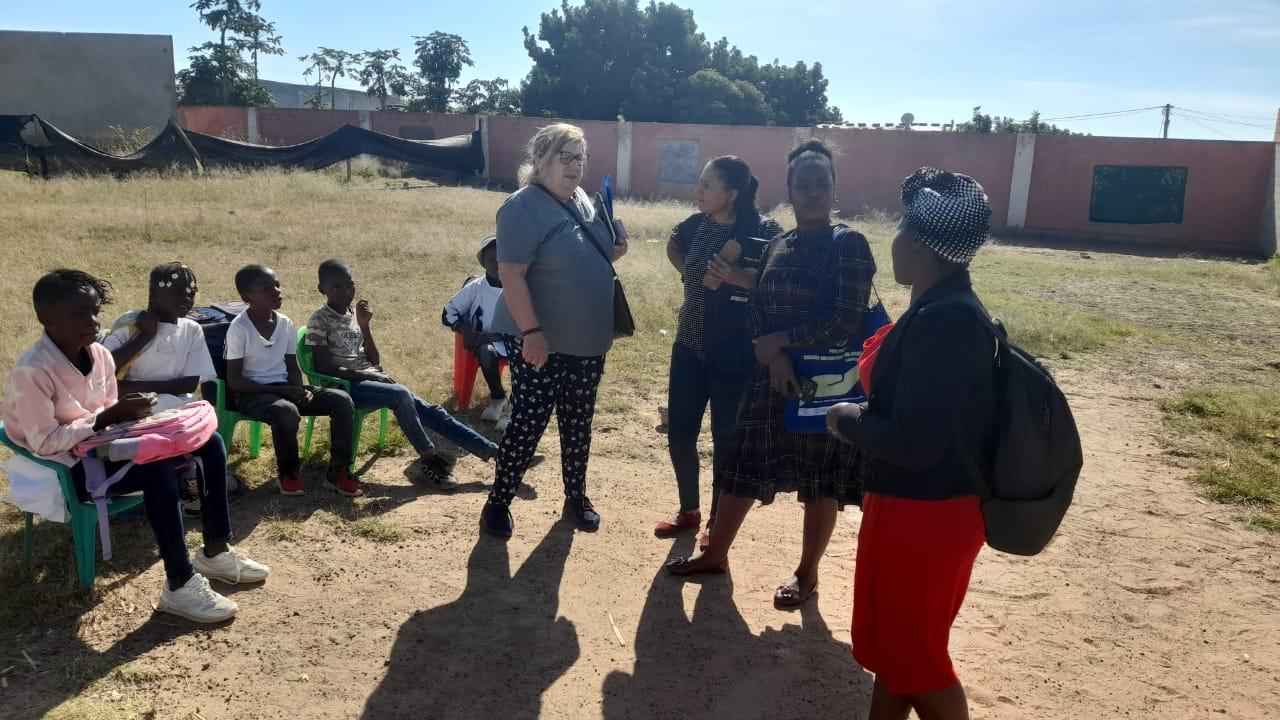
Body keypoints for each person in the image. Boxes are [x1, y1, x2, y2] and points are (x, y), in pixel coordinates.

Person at [666, 140, 875, 610]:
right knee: (740, 462)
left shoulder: (849, 244)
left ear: (834, 187)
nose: (813, 191)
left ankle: (807, 575)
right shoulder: (782, 243)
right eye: (804, 183)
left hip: (824, 386)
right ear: (790, 189)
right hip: (774, 375)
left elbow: (844, 318)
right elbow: (759, 304)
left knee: (818, 482)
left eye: (822, 182)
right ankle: (715, 554)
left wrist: (783, 342)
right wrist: (774, 356)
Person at [3, 269, 268, 623]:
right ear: (45, 318)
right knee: (156, 469)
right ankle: (179, 584)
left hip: (103, 448)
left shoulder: (99, 355)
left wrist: (136, 419)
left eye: (95, 312)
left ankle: (216, 550)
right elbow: (46, 442)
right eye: (79, 315)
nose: (93, 322)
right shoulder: (31, 370)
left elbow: (112, 418)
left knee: (210, 443)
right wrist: (106, 419)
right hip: (68, 467)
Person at [827, 167, 996, 720]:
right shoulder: (937, 306)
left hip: (931, 516)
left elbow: (918, 444)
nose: (893, 242)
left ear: (920, 243)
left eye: (900, 231)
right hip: (907, 505)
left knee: (917, 659)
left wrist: (847, 418)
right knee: (893, 652)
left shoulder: (950, 323)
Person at [479, 122, 629, 538]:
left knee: (579, 422)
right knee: (529, 421)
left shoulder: (582, 198)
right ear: (541, 159)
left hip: (587, 338)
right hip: (540, 340)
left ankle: (575, 496)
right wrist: (531, 332)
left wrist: (616, 248)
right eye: (566, 156)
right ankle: (499, 501)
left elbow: (593, 254)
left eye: (580, 157)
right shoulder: (521, 207)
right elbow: (511, 274)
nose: (575, 166)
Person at [655, 156, 783, 549]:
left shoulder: (765, 232)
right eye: (700, 183)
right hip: (689, 345)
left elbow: (778, 283)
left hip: (735, 353)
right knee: (680, 433)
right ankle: (689, 510)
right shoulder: (695, 227)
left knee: (725, 440)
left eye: (707, 185)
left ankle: (715, 521)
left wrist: (737, 276)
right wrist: (689, 275)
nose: (699, 191)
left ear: (732, 193)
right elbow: (673, 245)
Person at [308, 259, 498, 490]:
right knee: (400, 395)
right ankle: (430, 461)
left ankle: (492, 451)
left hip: (369, 379)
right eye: (336, 287)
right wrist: (369, 376)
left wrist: (365, 326)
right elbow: (321, 367)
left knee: (431, 410)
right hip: (343, 387)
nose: (345, 292)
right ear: (322, 289)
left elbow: (373, 361)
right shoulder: (320, 318)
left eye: (350, 285)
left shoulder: (353, 314)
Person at [225, 264, 359, 497]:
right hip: (252, 395)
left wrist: (298, 389)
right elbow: (235, 381)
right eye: (267, 288)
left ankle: (338, 472)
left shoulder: (285, 323)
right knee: (286, 412)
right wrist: (286, 391)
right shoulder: (239, 329)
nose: (277, 291)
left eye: (277, 285)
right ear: (248, 297)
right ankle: (288, 474)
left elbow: (291, 366)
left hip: (285, 389)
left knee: (341, 400)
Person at [102, 262, 215, 414]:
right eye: (177, 291)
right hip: (130, 404)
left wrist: (128, 388)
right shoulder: (130, 324)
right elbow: (104, 368)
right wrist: (144, 336)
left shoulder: (192, 330)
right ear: (154, 295)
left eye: (191, 293)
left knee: (211, 431)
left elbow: (189, 385)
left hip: (175, 402)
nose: (186, 298)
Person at [442, 236, 510, 428]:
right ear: (483, 263)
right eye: (491, 260)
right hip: (485, 343)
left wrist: (496, 336)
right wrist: (464, 328)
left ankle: (516, 406)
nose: (497, 265)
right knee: (486, 351)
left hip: (514, 341)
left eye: (502, 259)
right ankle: (499, 398)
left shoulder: (518, 286)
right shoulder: (476, 287)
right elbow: (448, 312)